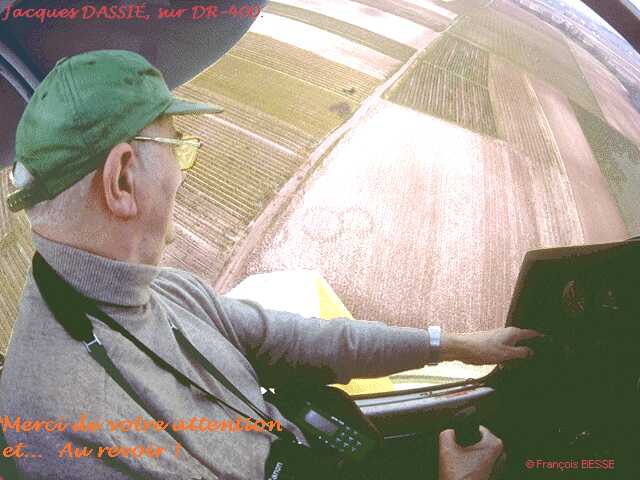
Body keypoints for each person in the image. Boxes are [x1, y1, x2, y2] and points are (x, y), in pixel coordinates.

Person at [0, 50, 540, 479]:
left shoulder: (163, 291)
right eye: (176, 146)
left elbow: (301, 341)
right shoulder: (64, 423)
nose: (182, 172)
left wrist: (455, 346)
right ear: (122, 180)